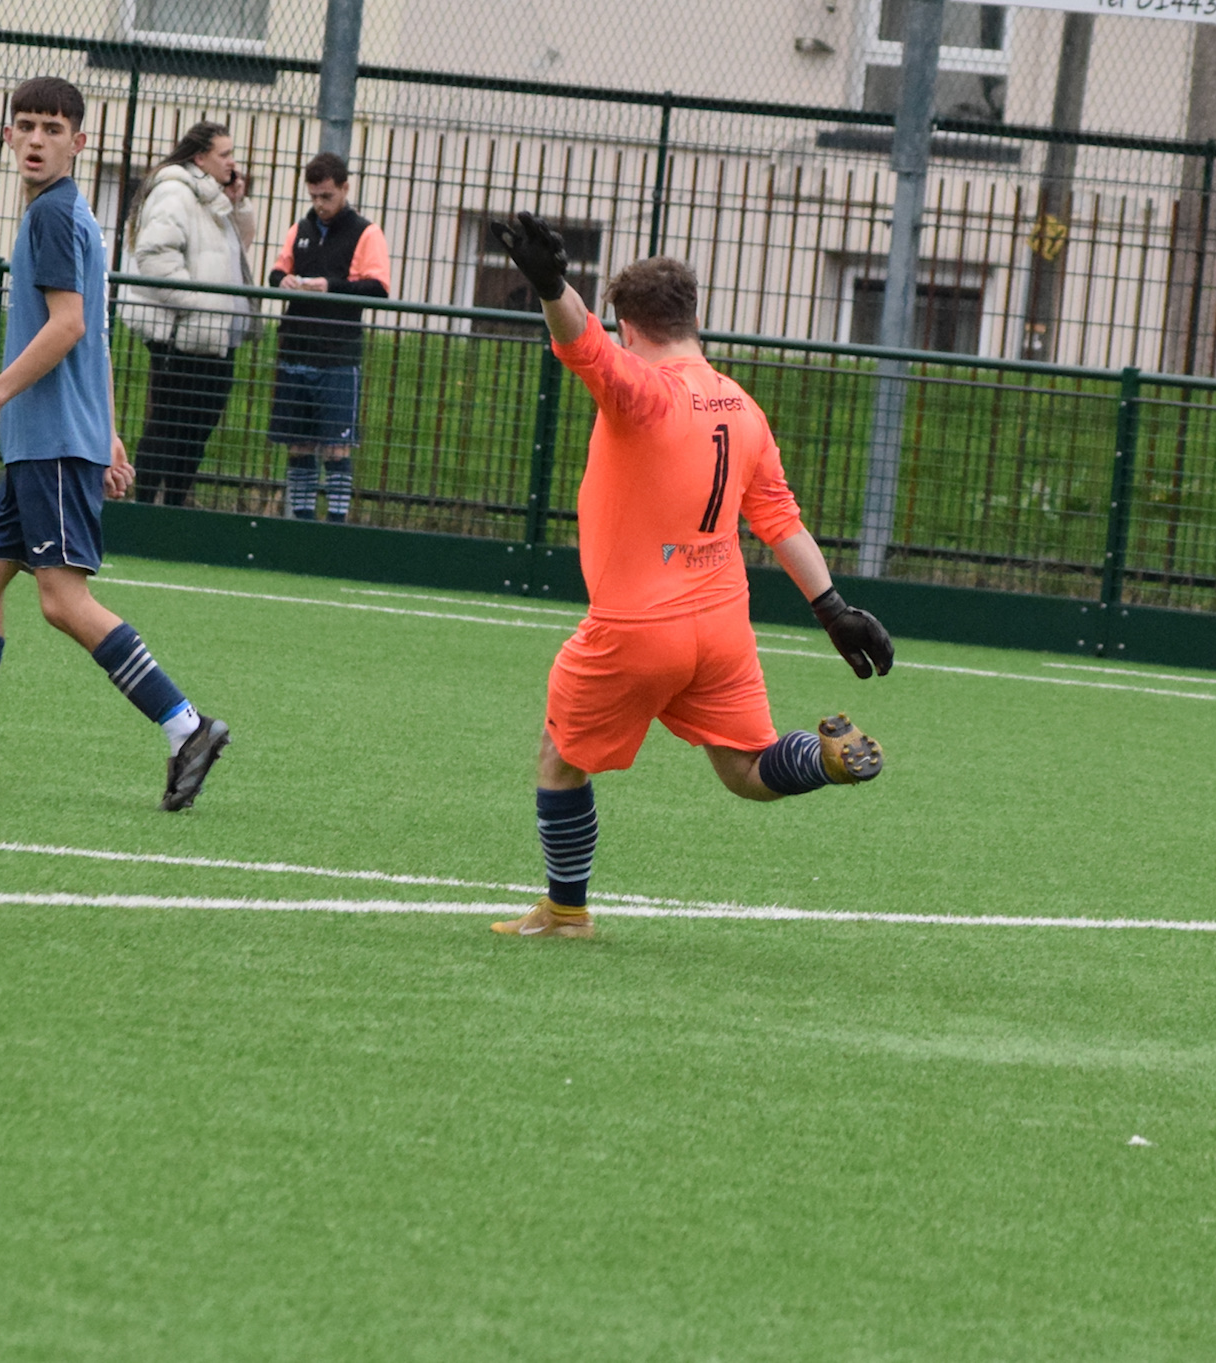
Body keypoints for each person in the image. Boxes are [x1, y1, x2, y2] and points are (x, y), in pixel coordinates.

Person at [485, 216, 897, 939]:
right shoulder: (741, 406)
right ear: (695, 317)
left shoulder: (643, 391)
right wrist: (834, 608)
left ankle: (564, 911)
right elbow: (780, 519)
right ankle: (824, 759)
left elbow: (583, 347)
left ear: (629, 326)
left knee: (560, 758)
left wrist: (550, 284)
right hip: (721, 625)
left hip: (639, 626)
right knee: (748, 769)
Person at [0, 76, 230, 811]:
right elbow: (93, 332)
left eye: (52, 128)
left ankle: (186, 724)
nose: (36, 139)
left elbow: (67, 328)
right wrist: (114, 431)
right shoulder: (70, 216)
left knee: (63, 602)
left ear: (78, 141)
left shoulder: (53, 217)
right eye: (25, 125)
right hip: (48, 438)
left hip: (50, 440)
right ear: (8, 135)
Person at [128, 121, 259, 507]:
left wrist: (238, 201)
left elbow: (240, 245)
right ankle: (145, 505)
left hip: (214, 336)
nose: (232, 162)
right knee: (169, 425)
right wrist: (200, 303)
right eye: (224, 154)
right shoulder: (175, 192)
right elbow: (154, 257)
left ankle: (175, 506)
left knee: (197, 429)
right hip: (184, 335)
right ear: (200, 158)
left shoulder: (210, 196)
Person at [266, 151, 389, 522]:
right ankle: (301, 520)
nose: (319, 205)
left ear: (345, 188)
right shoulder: (300, 228)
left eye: (327, 197)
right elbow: (276, 272)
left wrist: (330, 287)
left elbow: (378, 287)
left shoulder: (366, 232)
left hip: (337, 354)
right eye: (314, 196)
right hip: (296, 350)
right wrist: (283, 281)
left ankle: (335, 523)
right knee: (298, 445)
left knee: (337, 447)